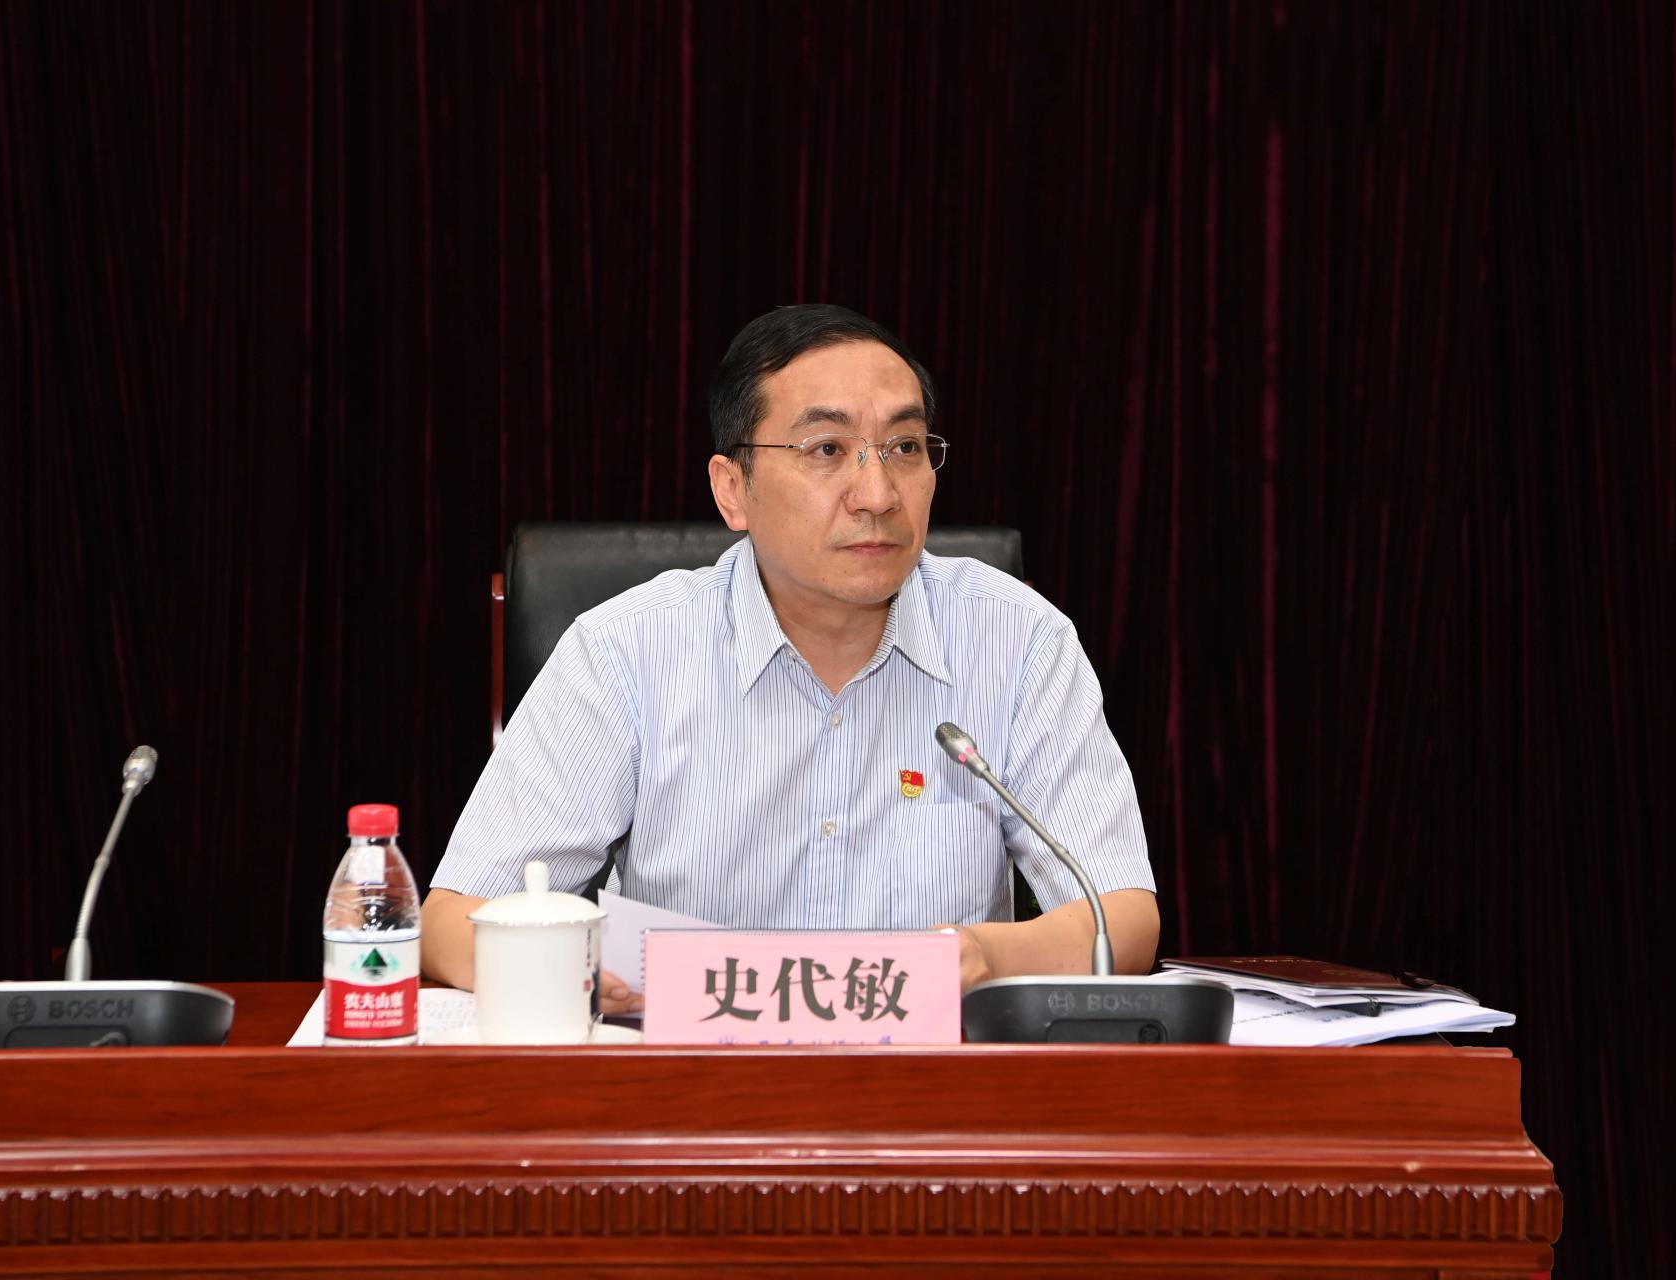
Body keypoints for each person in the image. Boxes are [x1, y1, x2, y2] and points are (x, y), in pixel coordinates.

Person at [422, 304, 1159, 1011]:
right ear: (732, 490)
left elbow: (1121, 916)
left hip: (929, 1082)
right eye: (827, 450)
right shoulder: (626, 651)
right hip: (693, 1076)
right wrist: (571, 971)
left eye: (905, 448)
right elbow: (455, 920)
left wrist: (987, 958)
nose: (877, 493)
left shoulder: (1018, 640)